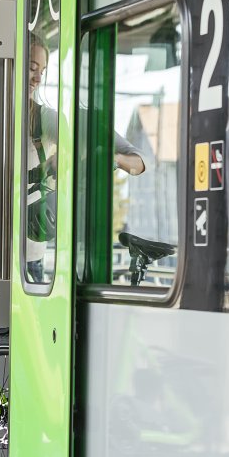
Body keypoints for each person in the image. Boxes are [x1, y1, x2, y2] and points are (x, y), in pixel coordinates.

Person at [25, 36, 145, 281]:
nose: (38, 78)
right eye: (31, 68)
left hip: (27, 258)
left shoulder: (43, 118)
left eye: (43, 71)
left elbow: (139, 162)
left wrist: (69, 157)